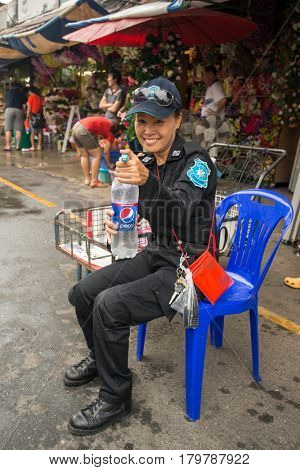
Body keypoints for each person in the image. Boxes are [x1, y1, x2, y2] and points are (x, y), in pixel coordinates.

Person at [65, 77, 217, 436]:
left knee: (109, 305)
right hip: (156, 253)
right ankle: (101, 360)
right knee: (83, 293)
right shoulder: (144, 158)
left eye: (158, 121)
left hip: (188, 268)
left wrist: (146, 181)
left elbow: (177, 212)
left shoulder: (198, 163)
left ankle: (116, 395)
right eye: (141, 120)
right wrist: (118, 225)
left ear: (178, 120)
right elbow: (133, 209)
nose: (148, 130)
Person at [71, 116, 123, 188]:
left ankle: (88, 179)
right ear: (119, 131)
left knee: (84, 155)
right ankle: (94, 181)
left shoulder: (108, 123)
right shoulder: (111, 133)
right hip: (84, 129)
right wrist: (108, 163)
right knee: (97, 155)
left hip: (75, 127)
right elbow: (106, 152)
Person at [4, 82, 27, 151]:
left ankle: (8, 146)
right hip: (19, 110)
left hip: (9, 109)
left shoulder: (8, 92)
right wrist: (24, 112)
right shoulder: (22, 92)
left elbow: (6, 103)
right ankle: (17, 146)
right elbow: (24, 105)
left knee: (8, 129)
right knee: (18, 129)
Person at [22, 86, 44, 152]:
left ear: (30, 91)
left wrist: (27, 117)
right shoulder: (39, 98)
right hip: (39, 116)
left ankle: (33, 146)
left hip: (33, 116)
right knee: (40, 131)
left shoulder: (30, 97)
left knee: (32, 132)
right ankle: (39, 146)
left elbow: (29, 108)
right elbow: (41, 108)